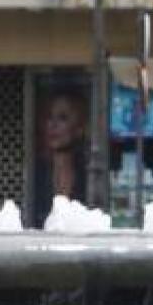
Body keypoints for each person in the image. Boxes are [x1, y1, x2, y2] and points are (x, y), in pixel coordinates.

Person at [33, 88, 89, 227]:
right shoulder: (34, 172)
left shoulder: (90, 174)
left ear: (79, 128)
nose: (53, 125)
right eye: (49, 117)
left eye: (63, 118)